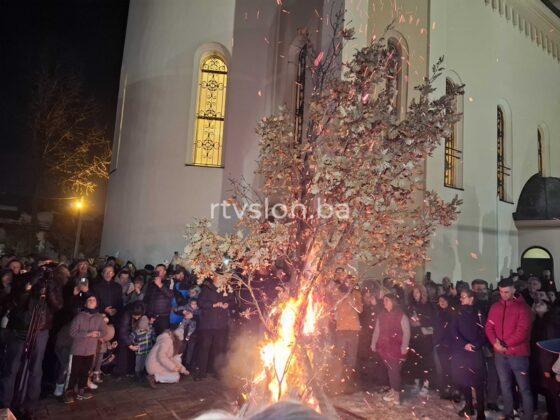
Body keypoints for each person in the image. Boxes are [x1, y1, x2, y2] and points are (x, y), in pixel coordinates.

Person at [0, 267, 63, 418]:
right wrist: (29, 284)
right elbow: (15, 302)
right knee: (11, 368)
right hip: (19, 330)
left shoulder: (52, 283)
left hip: (40, 331)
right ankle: (4, 405)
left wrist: (50, 287)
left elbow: (57, 305)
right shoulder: (23, 280)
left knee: (35, 369)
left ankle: (30, 406)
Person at [485, 277, 533, 420]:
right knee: (505, 386)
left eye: (506, 292)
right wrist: (495, 343)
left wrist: (504, 344)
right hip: (500, 354)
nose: (503, 295)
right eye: (501, 292)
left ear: (514, 290)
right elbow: (489, 327)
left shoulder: (523, 308)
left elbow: (522, 331)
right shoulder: (495, 307)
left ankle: (528, 416)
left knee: (524, 388)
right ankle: (508, 414)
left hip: (518, 355)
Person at [64, 294, 107, 403]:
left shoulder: (99, 318)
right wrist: (87, 334)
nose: (92, 301)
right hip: (78, 350)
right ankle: (69, 391)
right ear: (86, 303)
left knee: (85, 371)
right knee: (73, 372)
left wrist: (98, 334)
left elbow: (104, 331)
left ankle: (82, 390)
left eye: (94, 300)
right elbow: (72, 332)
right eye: (89, 300)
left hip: (90, 350)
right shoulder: (79, 316)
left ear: (97, 303)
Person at [452, 290, 487, 419]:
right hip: (462, 352)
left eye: (463, 297)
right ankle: (469, 406)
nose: (461, 299)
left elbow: (485, 331)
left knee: (478, 383)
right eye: (460, 297)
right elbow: (454, 330)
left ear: (471, 299)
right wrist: (464, 344)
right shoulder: (458, 312)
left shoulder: (479, 312)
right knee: (464, 380)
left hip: (475, 352)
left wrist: (476, 345)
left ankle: (481, 412)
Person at [371, 293, 410, 405]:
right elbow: (377, 330)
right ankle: (393, 391)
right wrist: (373, 343)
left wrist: (404, 347)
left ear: (393, 301)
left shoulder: (401, 315)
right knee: (390, 371)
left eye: (387, 300)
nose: (384, 302)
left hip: (397, 349)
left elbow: (406, 332)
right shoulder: (382, 315)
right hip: (385, 349)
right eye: (384, 300)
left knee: (394, 371)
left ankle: (396, 395)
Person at [193, 275, 233, 381]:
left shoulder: (226, 289)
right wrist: (213, 305)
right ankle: (201, 372)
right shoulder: (207, 289)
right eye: (219, 277)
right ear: (214, 278)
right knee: (204, 347)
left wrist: (227, 304)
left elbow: (232, 300)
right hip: (208, 324)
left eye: (223, 278)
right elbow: (200, 303)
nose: (221, 279)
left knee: (219, 348)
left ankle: (217, 372)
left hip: (221, 325)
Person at [330, 269, 363, 392]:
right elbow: (332, 307)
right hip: (341, 329)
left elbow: (360, 310)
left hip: (353, 329)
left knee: (351, 359)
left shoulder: (356, 294)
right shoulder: (338, 293)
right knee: (339, 357)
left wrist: (352, 300)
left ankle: (348, 384)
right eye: (346, 281)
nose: (348, 283)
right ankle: (337, 385)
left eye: (350, 281)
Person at [406, 285, 434, 396]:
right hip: (415, 337)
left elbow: (431, 320)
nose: (415, 294)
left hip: (425, 338)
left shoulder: (428, 306)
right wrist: (412, 322)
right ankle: (417, 383)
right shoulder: (412, 306)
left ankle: (426, 385)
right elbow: (410, 318)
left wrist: (420, 322)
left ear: (422, 293)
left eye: (417, 292)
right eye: (414, 292)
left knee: (425, 362)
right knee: (414, 360)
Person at [114, 301, 146, 376]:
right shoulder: (126, 315)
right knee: (123, 351)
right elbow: (123, 331)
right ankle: (121, 372)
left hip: (131, 332)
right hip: (123, 331)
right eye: (136, 316)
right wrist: (130, 345)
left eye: (139, 316)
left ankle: (131, 370)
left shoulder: (141, 308)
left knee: (132, 353)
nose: (137, 318)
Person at [433, 294, 455, 399]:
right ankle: (444, 389)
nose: (441, 302)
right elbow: (437, 329)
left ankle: (451, 390)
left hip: (449, 345)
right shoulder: (438, 313)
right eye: (440, 300)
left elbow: (450, 330)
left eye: (444, 300)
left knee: (449, 368)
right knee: (443, 368)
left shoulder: (452, 313)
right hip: (440, 344)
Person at [144, 268, 173, 335]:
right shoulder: (151, 282)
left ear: (165, 272)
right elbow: (146, 299)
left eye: (160, 270)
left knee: (162, 336)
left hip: (163, 316)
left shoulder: (169, 282)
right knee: (150, 336)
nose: (157, 271)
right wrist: (147, 314)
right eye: (156, 270)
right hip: (151, 315)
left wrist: (160, 285)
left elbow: (170, 295)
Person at [129, 315, 154, 380]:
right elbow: (130, 339)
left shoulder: (150, 329)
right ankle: (137, 374)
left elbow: (153, 336)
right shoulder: (136, 332)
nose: (143, 329)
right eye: (141, 327)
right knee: (138, 363)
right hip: (139, 351)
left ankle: (143, 373)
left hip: (147, 350)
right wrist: (133, 345)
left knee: (145, 362)